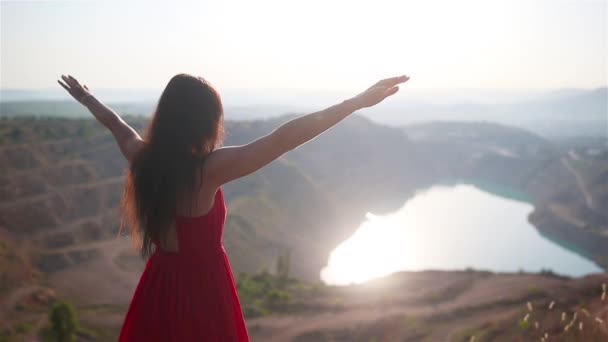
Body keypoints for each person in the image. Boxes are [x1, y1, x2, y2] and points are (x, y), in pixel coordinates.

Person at [57, 73, 409, 341]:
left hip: (160, 285)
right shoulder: (207, 170)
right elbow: (284, 138)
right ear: (203, 121)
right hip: (204, 290)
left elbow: (118, 126)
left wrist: (88, 99)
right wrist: (356, 102)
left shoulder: (143, 160)